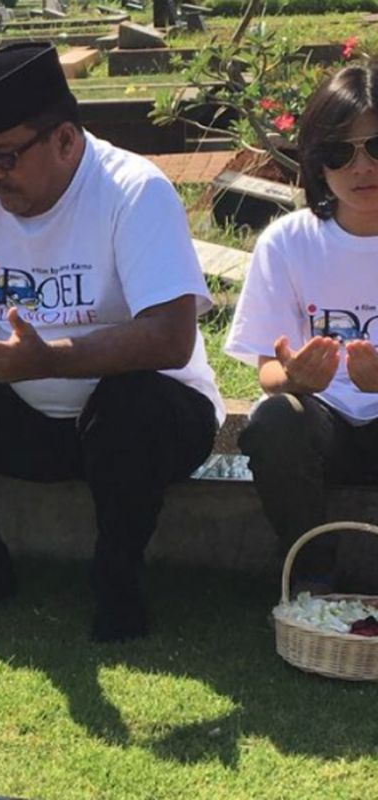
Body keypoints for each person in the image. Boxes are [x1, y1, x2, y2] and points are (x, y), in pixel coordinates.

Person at [0, 44, 224, 641]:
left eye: (5, 157)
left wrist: (45, 359)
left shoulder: (134, 190)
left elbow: (171, 337)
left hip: (143, 423)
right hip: (25, 415)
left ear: (65, 139)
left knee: (134, 406)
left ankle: (117, 585)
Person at [225, 64, 378, 592]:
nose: (361, 167)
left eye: (374, 146)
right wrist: (295, 379)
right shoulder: (287, 242)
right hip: (325, 419)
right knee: (275, 420)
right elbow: (268, 368)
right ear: (317, 164)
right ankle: (311, 578)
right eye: (340, 153)